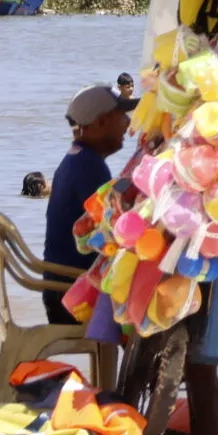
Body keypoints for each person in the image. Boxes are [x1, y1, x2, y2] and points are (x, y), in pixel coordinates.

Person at [44, 86, 129, 324]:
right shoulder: (89, 166)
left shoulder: (77, 158)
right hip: (74, 296)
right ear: (102, 121)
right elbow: (112, 231)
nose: (128, 123)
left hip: (59, 289)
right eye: (122, 115)